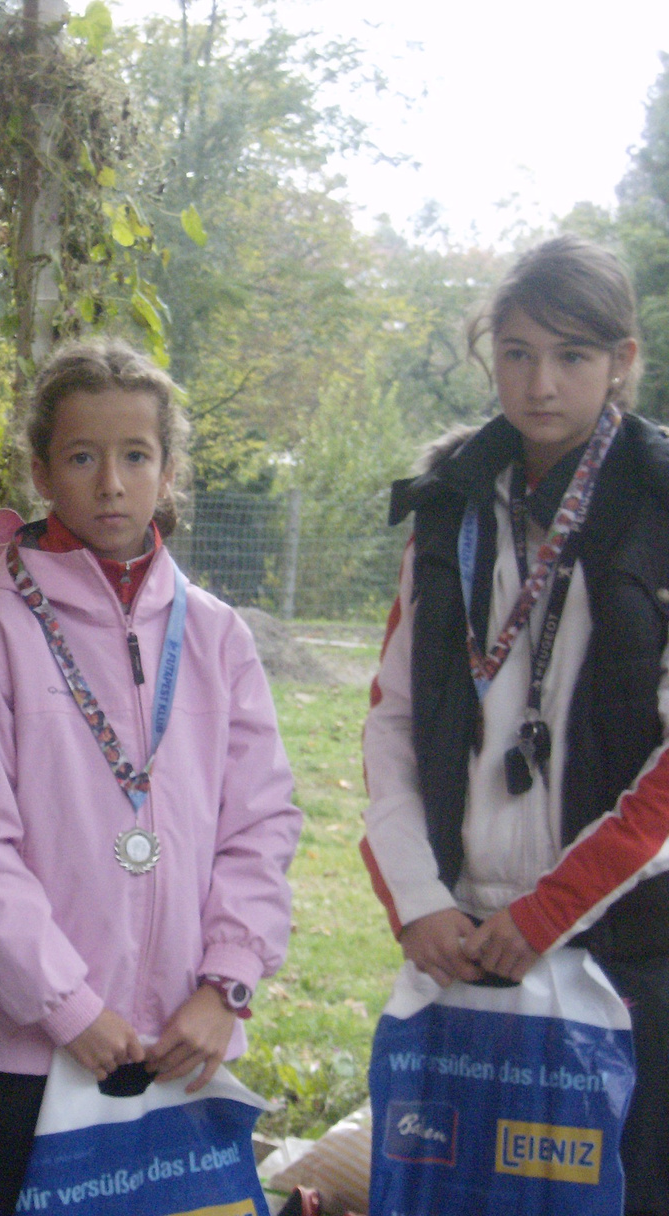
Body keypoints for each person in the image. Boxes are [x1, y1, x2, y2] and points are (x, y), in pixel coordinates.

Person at [0, 338, 301, 1216]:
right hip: (34, 1057)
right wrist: (68, 1009)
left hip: (186, 1044)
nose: (111, 483)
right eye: (83, 457)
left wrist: (224, 986)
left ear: (169, 472)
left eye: (136, 456)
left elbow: (261, 824)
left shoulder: (217, 637)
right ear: (43, 471)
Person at [363, 234, 669, 1215]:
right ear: (486, 351)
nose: (540, 382)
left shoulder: (661, 500)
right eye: (517, 351)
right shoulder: (447, 501)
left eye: (572, 355)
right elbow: (391, 722)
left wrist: (549, 911)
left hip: (618, 949)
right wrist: (417, 898)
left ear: (622, 359)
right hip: (458, 938)